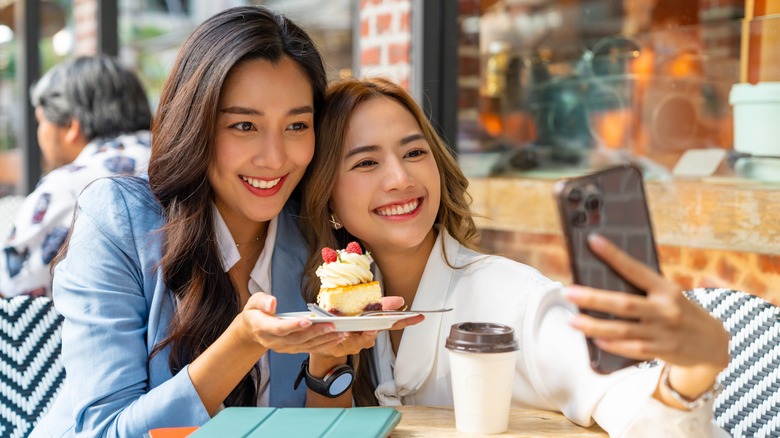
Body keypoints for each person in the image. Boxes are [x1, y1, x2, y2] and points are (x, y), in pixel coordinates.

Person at [31, 7, 396, 437]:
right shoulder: (119, 221)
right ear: (195, 124)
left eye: (297, 125)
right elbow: (105, 431)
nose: (276, 158)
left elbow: (315, 428)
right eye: (244, 125)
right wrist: (242, 343)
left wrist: (329, 360)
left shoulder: (313, 235)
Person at [300, 77, 730, 436]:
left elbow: (626, 399)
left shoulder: (515, 300)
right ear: (330, 202)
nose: (400, 178)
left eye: (414, 152)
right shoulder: (352, 307)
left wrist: (692, 373)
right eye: (366, 163)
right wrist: (327, 361)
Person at [0, 55, 152, 298]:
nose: (40, 133)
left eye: (41, 121)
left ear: (71, 127)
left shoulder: (70, 184)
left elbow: (13, 284)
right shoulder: (176, 159)